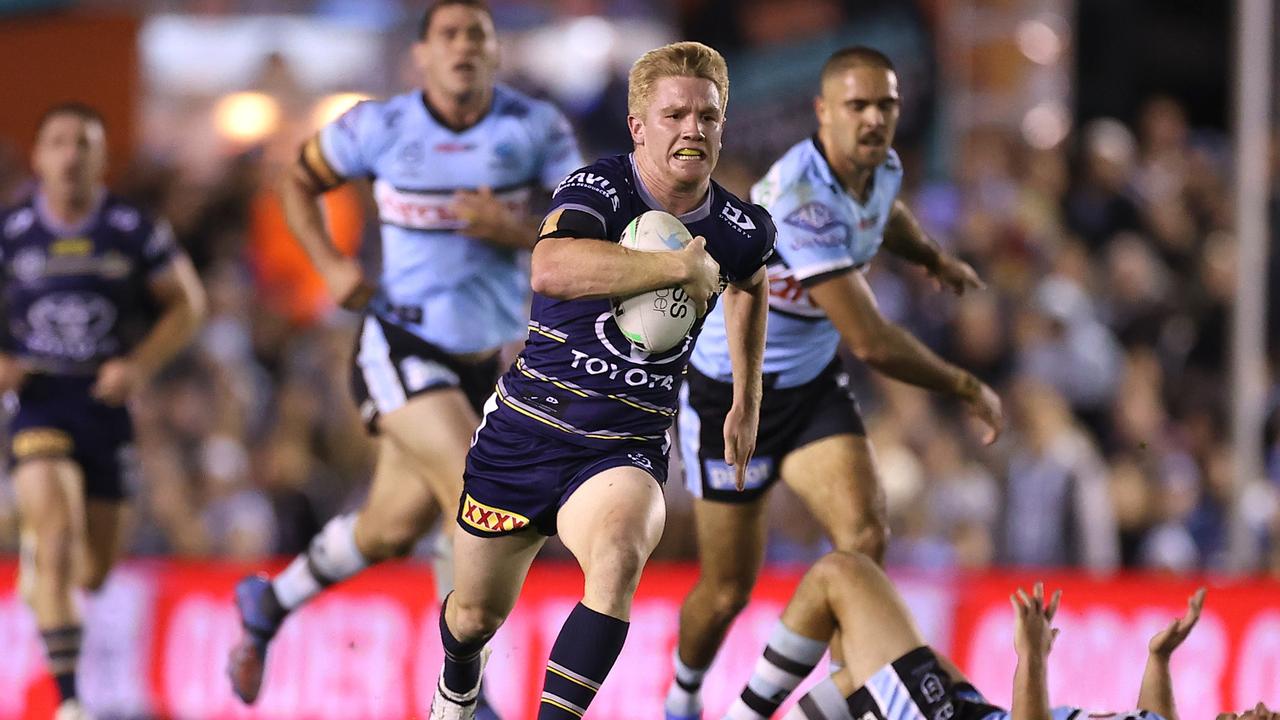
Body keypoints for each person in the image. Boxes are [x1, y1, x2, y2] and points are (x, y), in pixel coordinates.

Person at [225, 0, 582, 712]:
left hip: (491, 359)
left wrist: (512, 228)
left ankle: (270, 601)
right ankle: (465, 696)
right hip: (403, 344)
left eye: (476, 36)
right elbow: (295, 177)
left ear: (494, 53)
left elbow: (586, 226)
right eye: (447, 35)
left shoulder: (535, 129)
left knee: (388, 528)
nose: (462, 48)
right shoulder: (380, 126)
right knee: (476, 495)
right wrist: (327, 263)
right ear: (421, 54)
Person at [428, 41, 774, 719]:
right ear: (639, 125)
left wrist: (748, 395)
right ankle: (459, 679)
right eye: (674, 113)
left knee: (616, 560)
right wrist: (674, 269)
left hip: (624, 448)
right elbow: (551, 269)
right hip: (529, 430)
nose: (692, 130)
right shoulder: (598, 187)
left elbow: (751, 280)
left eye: (708, 116)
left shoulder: (739, 227)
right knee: (473, 615)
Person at [667, 46, 1003, 719]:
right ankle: (684, 698)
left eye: (886, 105)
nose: (875, 119)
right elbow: (872, 341)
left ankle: (846, 706)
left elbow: (885, 215)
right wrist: (965, 386)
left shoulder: (879, 166)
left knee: (864, 542)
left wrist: (932, 256)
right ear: (824, 113)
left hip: (812, 383)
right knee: (729, 588)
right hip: (734, 393)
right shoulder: (803, 201)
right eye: (858, 106)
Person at [1, 103, 206, 720]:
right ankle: (70, 702)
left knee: (91, 571)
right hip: (39, 402)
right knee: (55, 534)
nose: (70, 155)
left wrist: (139, 366)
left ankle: (50, 563)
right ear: (38, 158)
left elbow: (187, 304)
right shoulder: (11, 232)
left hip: (105, 406)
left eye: (83, 144)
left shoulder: (130, 228)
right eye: (58, 142)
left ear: (100, 157)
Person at [726, 550, 1210, 720]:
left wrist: (1032, 656)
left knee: (843, 575)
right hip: (978, 713)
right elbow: (1153, 718)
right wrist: (1159, 659)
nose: (1263, 710)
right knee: (858, 675)